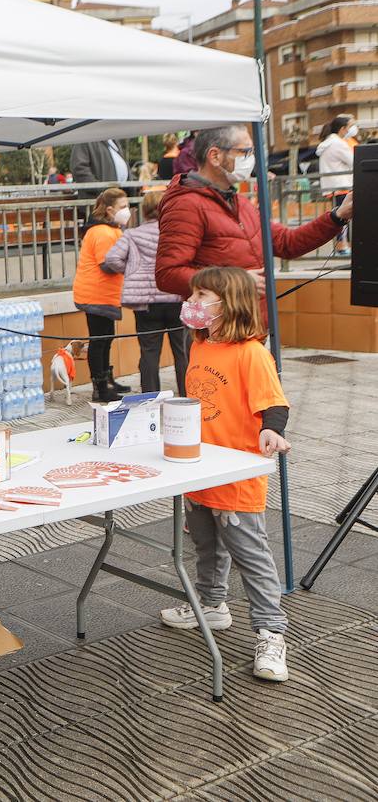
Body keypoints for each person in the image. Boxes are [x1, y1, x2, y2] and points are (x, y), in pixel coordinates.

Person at [158, 266, 291, 683]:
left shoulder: (251, 352)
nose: (191, 304)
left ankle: (271, 631)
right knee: (206, 546)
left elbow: (275, 403)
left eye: (202, 297)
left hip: (236, 476)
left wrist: (271, 429)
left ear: (227, 304)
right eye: (192, 295)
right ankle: (213, 606)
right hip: (199, 471)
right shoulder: (198, 345)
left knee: (252, 557)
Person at [155, 124, 351, 311]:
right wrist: (235, 280)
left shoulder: (240, 202)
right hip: (218, 330)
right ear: (215, 156)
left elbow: (286, 243)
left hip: (250, 323)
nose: (250, 159)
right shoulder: (185, 205)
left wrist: (338, 216)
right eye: (244, 152)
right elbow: (168, 275)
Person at [102, 190, 188, 395]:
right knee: (183, 352)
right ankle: (188, 395)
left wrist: (133, 271)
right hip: (175, 298)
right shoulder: (178, 233)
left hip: (146, 304)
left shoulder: (132, 234)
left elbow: (112, 259)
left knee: (149, 353)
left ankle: (151, 398)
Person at [72, 188, 131, 401]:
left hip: (104, 294)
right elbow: (107, 265)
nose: (127, 211)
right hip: (95, 294)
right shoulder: (102, 232)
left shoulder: (111, 229)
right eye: (123, 207)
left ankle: (107, 380)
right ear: (109, 210)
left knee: (106, 338)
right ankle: (100, 387)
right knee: (99, 340)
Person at [317, 114, 356, 256]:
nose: (353, 129)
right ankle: (343, 247)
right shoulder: (338, 144)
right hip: (342, 186)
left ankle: (342, 246)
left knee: (340, 216)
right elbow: (354, 161)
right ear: (343, 129)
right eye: (351, 126)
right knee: (344, 217)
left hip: (333, 186)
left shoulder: (329, 143)